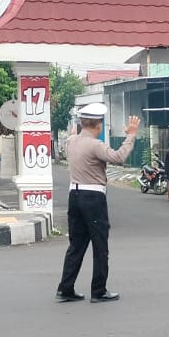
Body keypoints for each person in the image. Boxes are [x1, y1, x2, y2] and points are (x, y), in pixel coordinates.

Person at [58, 103, 139, 303]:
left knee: (76, 245)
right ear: (98, 125)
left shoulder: (71, 142)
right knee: (100, 245)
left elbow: (70, 136)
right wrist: (131, 135)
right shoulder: (95, 145)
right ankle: (99, 290)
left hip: (74, 196)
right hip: (93, 198)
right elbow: (118, 157)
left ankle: (66, 288)